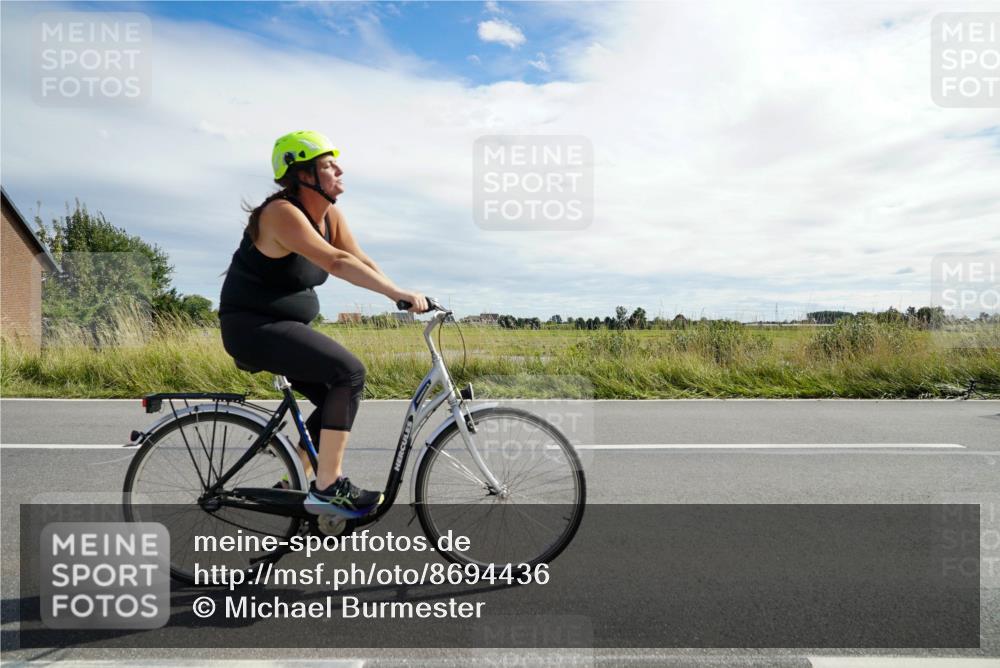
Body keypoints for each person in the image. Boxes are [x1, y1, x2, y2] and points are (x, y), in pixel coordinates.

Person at [218, 130, 428, 518]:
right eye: (329, 164)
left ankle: (299, 476)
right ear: (303, 174)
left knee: (339, 391)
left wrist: (401, 292)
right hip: (252, 327)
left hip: (283, 327)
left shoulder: (330, 216)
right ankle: (329, 487)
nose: (340, 169)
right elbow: (336, 262)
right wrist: (393, 295)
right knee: (348, 373)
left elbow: (358, 258)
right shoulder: (281, 214)